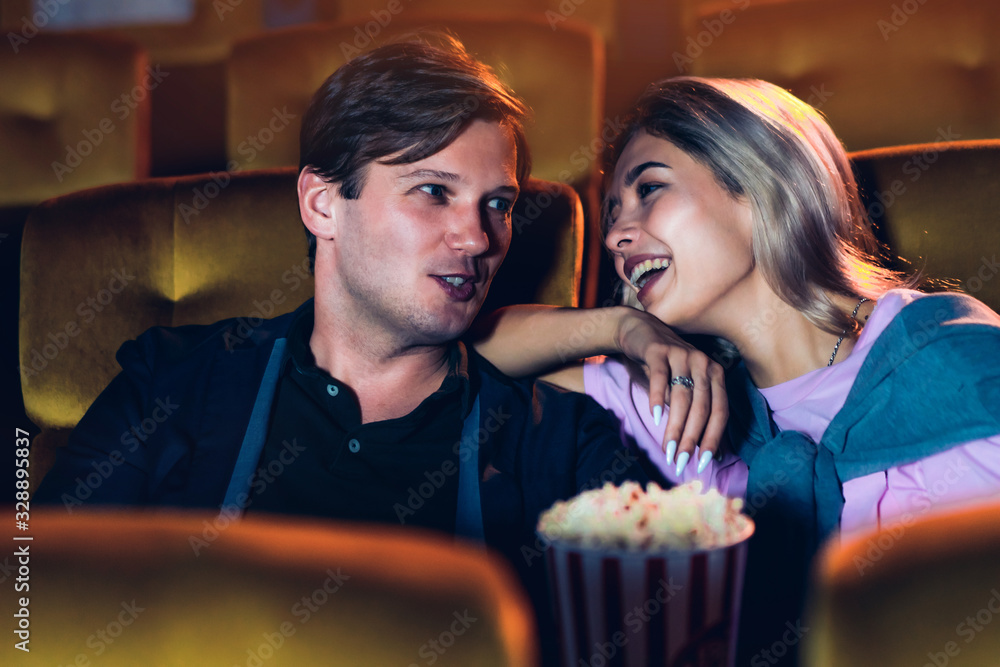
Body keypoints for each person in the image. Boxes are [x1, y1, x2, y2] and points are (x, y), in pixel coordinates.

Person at [35, 38, 733, 663]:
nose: (478, 238)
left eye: (498, 204)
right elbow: (33, 606)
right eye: (434, 192)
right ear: (322, 204)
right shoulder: (174, 382)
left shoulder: (563, 446)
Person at [473, 76, 1000, 665]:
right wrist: (619, 328)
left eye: (650, 189)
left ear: (761, 181)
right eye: (614, 215)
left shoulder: (955, 362)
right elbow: (460, 360)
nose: (617, 236)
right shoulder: (681, 399)